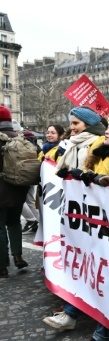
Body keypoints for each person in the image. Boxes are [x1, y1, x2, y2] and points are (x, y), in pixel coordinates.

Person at [44, 116, 109, 340]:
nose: (106, 132)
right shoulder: (99, 150)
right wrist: (81, 176)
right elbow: (89, 173)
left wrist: (98, 179)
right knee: (91, 267)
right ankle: (72, 313)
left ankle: (103, 331)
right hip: (97, 223)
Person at [0, 106, 29, 278]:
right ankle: (18, 256)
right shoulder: (20, 137)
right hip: (19, 189)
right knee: (15, 223)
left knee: (0, 227)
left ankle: (2, 265)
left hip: (1, 190)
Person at [55, 107, 105, 174]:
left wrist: (85, 175)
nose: (72, 127)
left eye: (75, 123)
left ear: (88, 124)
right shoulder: (74, 143)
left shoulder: (100, 142)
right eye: (71, 124)